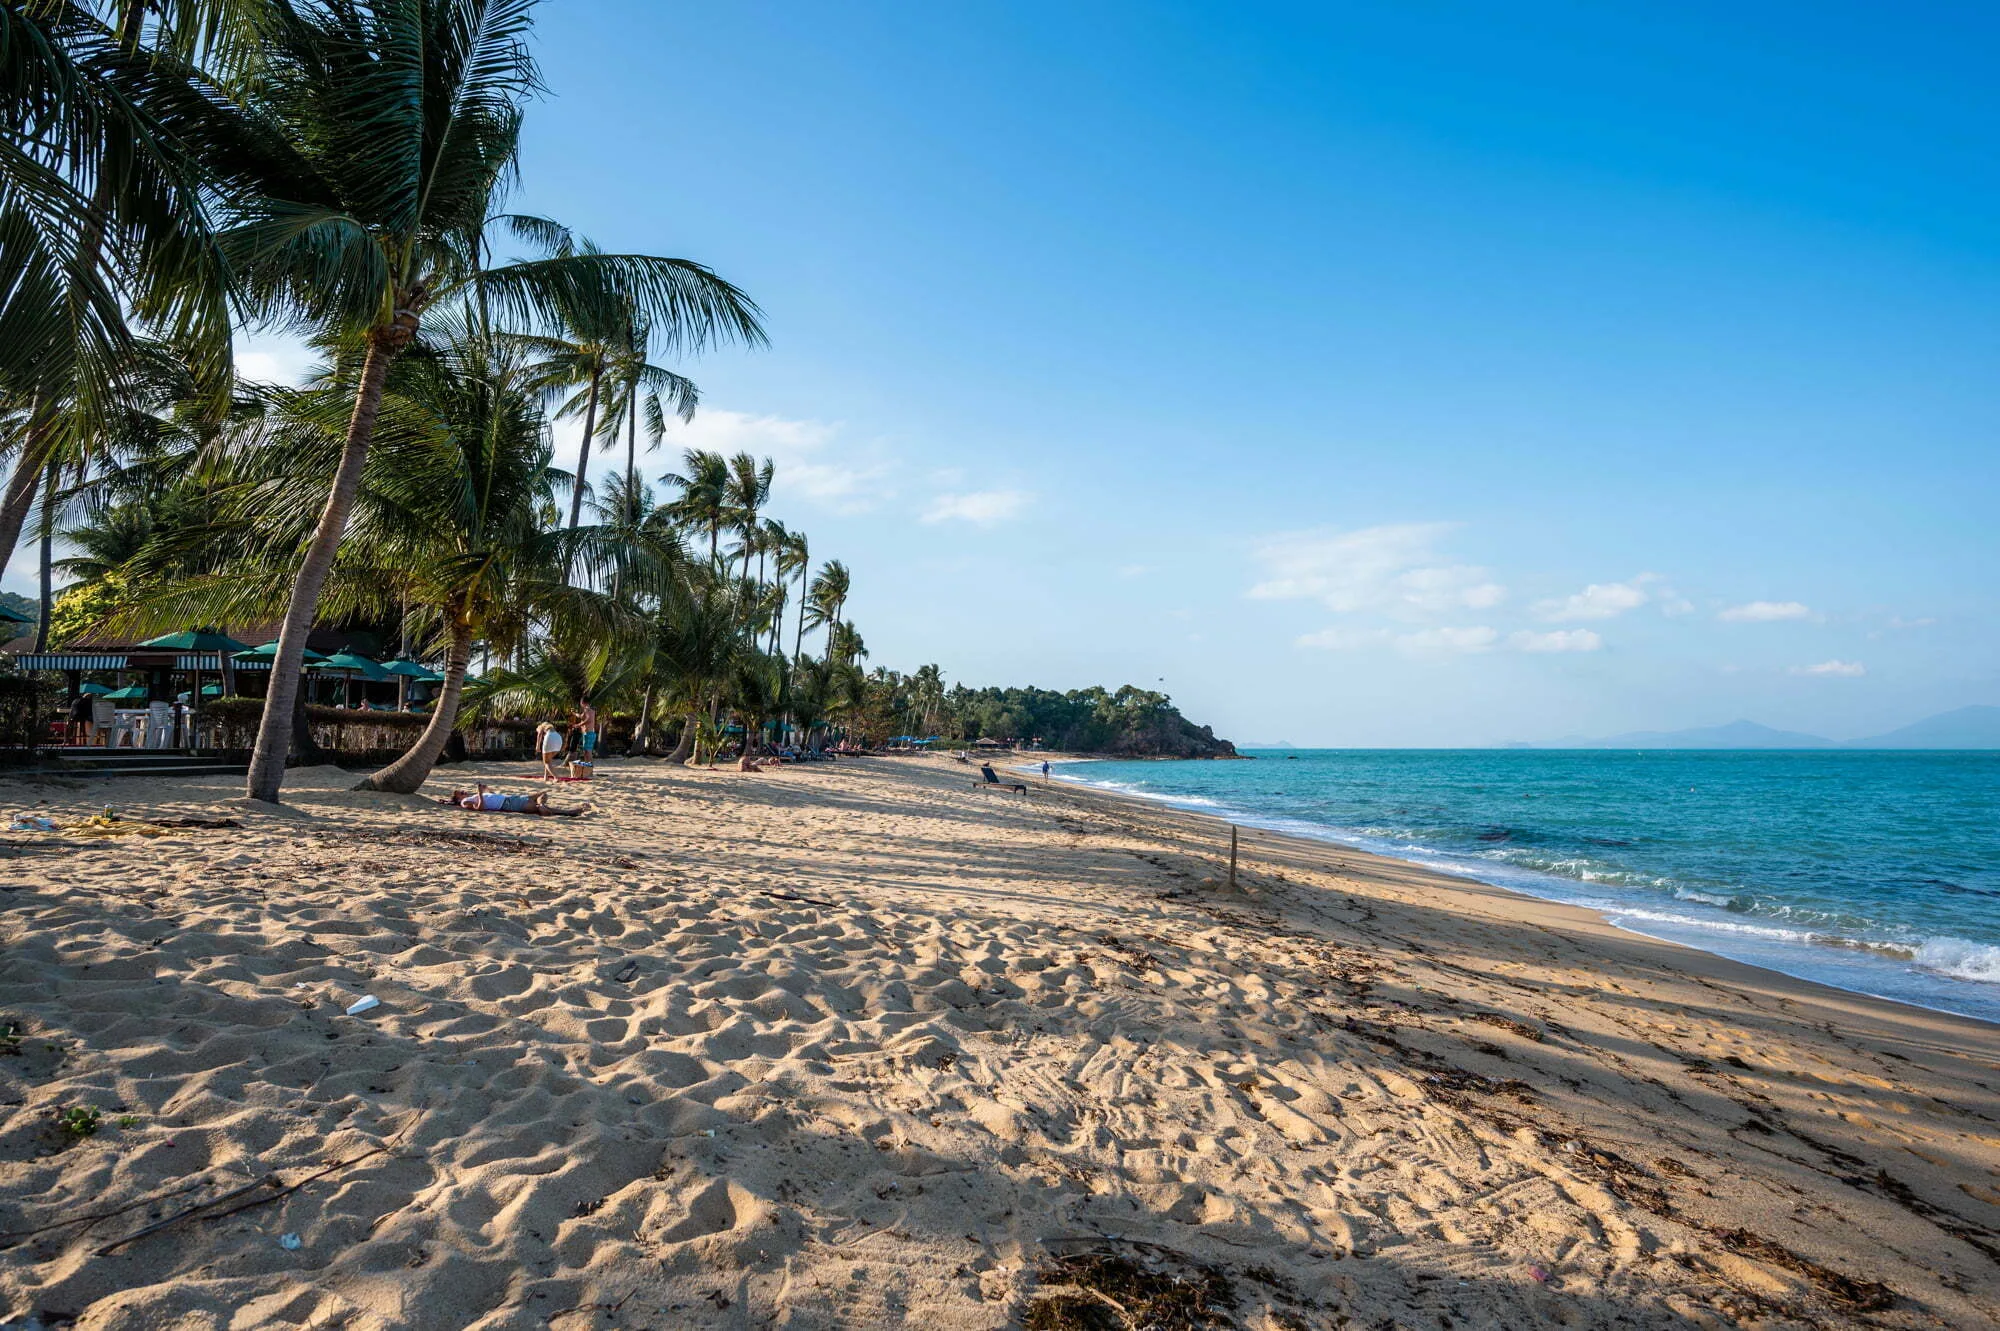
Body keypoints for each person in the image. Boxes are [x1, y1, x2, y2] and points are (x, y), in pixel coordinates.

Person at [438, 783, 590, 818]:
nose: (464, 791)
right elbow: (480, 808)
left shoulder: (471, 797)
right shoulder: (465, 803)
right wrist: (479, 793)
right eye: (461, 792)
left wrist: (486, 790)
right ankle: (570, 812)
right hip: (508, 804)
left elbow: (492, 795)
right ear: (458, 799)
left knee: (543, 793)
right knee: (539, 807)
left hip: (510, 798)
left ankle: (543, 806)